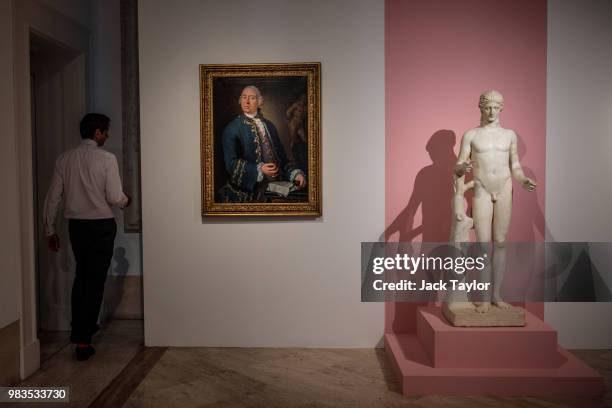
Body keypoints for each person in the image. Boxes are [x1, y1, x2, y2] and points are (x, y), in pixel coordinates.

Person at [44, 113, 130, 361]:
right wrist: (127, 201)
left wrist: (50, 230)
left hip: (77, 227)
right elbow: (115, 197)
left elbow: (53, 198)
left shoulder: (64, 159)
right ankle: (83, 340)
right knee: (95, 282)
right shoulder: (107, 159)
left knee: (82, 277)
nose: (107, 136)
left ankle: (81, 329)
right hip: (101, 225)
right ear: (98, 133)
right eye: (105, 132)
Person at [453, 90, 536, 313]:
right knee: (482, 244)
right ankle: (484, 297)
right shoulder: (471, 135)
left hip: (505, 187)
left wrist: (522, 179)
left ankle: (496, 295)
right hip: (481, 189)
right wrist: (462, 168)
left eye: (496, 107)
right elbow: (459, 164)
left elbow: (515, 165)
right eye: (487, 107)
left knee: (500, 242)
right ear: (480, 107)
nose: (491, 111)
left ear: (502, 108)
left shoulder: (510, 135)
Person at [217, 85, 306, 202]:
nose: (247, 101)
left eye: (252, 98)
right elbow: (231, 164)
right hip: (246, 195)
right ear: (240, 100)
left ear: (259, 102)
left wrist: (295, 175)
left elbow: (283, 161)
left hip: (274, 191)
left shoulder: (270, 126)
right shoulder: (232, 128)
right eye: (244, 97)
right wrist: (259, 170)